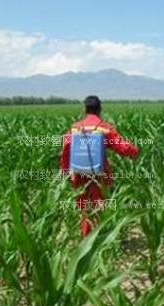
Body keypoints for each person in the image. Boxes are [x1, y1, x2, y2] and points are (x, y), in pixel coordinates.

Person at [60, 95, 140, 237]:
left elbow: (66, 150)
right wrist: (134, 151)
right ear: (100, 109)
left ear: (84, 109)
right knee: (99, 207)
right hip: (100, 176)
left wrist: (67, 173)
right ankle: (97, 241)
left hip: (79, 176)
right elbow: (122, 147)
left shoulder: (75, 128)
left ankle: (86, 240)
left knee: (85, 209)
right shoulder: (104, 128)